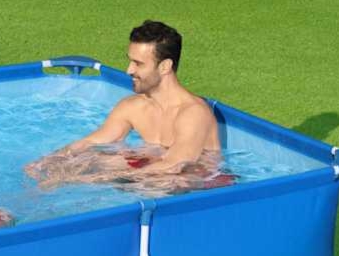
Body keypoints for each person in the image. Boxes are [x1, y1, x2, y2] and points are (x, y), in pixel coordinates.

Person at [25, 20, 222, 190]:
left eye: (138, 63)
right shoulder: (133, 107)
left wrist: (94, 179)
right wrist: (48, 161)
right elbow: (91, 142)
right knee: (89, 159)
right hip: (151, 167)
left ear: (165, 66)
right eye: (130, 61)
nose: (128, 70)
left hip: (192, 185)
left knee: (168, 181)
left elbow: (174, 165)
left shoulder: (194, 113)